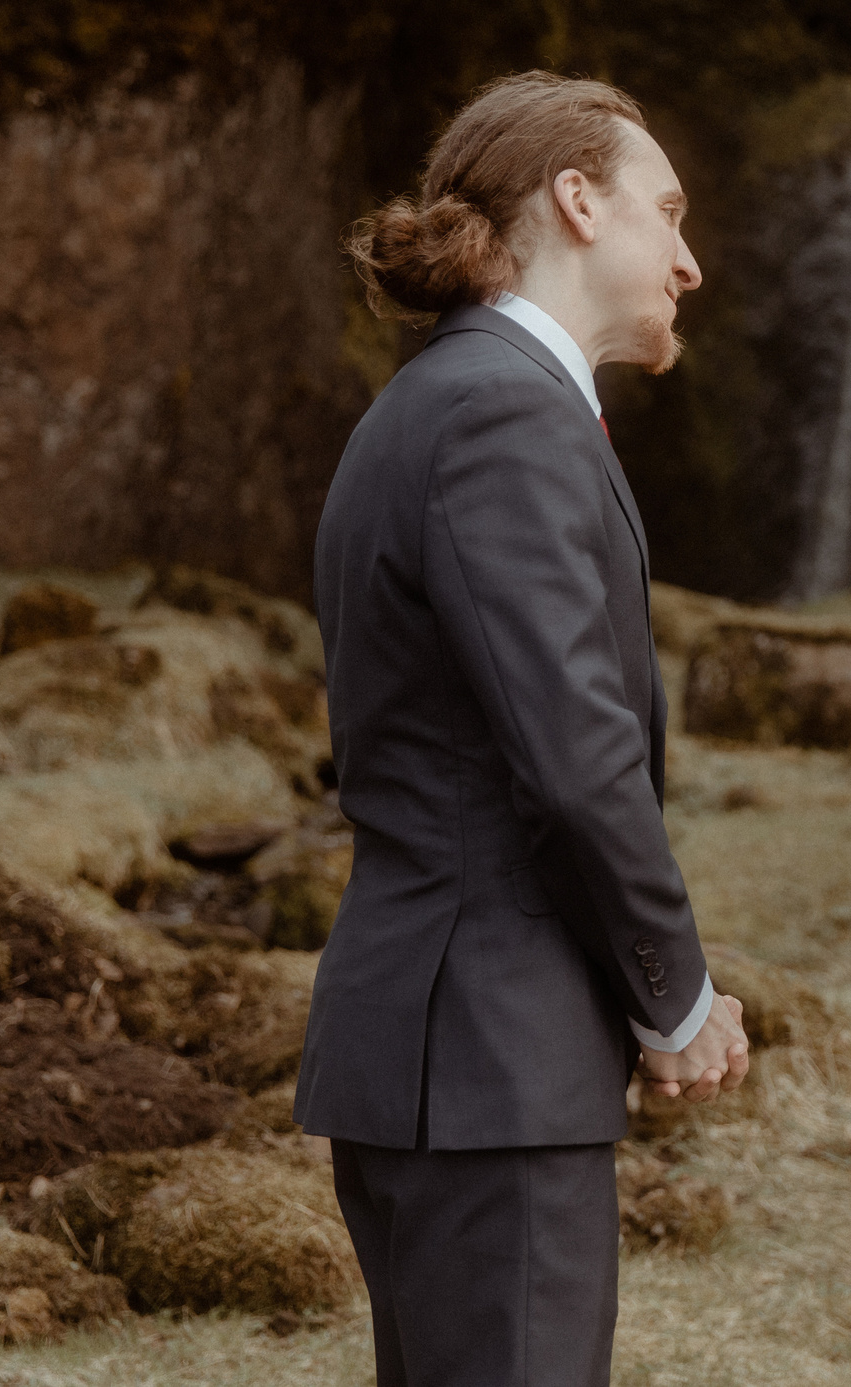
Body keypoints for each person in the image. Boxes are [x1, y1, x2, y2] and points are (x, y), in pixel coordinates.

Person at [295, 72, 750, 1386]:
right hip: (489, 1055)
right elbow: (575, 754)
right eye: (664, 212)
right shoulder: (503, 412)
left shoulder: (448, 395)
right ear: (575, 199)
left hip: (439, 1047)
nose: (689, 257)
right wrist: (676, 997)